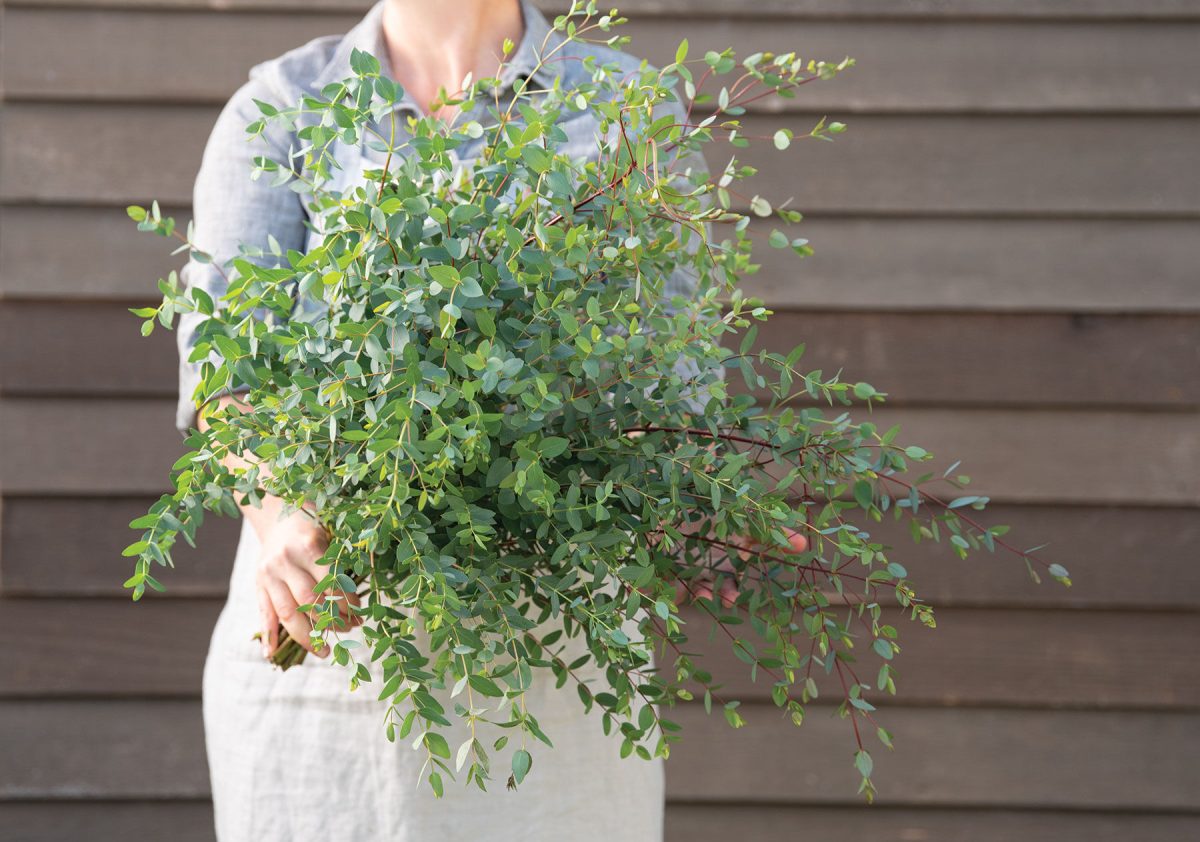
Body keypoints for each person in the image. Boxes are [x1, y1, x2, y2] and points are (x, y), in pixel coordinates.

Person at [180, 1, 808, 838]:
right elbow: (228, 377)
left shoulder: (624, 103)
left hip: (558, 658)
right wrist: (281, 511)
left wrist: (687, 502)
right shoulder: (286, 105)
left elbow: (671, 375)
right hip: (335, 643)